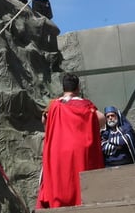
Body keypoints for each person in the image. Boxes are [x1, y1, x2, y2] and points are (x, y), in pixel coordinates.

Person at [36, 73, 104, 208]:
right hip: (80, 150)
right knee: (81, 184)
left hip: (58, 150)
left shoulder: (53, 105)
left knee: (60, 181)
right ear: (78, 88)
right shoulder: (86, 105)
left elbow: (44, 120)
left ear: (63, 88)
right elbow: (101, 118)